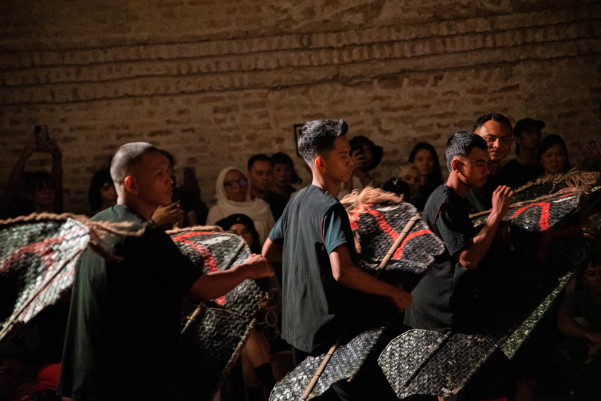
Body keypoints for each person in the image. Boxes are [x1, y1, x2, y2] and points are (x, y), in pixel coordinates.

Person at [58, 142, 273, 401]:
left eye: (169, 172)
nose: (170, 180)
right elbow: (203, 288)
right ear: (132, 184)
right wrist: (247, 269)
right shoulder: (145, 236)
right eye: (160, 174)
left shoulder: (99, 222)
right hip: (127, 377)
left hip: (87, 373)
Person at [262, 119, 410, 401]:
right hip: (330, 334)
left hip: (298, 331)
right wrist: (393, 292)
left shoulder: (296, 201)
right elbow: (343, 272)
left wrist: (307, 258)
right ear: (321, 163)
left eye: (349, 153)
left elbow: (268, 250)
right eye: (343, 155)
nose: (350, 161)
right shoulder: (330, 208)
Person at [554, 254, 601, 400]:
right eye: (592, 274)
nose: (598, 278)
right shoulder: (577, 298)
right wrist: (593, 337)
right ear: (584, 279)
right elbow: (563, 322)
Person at [206, 166, 275, 244]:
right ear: (222, 188)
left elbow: (275, 237)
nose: (238, 186)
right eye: (231, 183)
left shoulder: (261, 206)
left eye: (241, 181)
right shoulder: (217, 210)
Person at [0, 137, 63, 218]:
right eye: (40, 189)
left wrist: (57, 156)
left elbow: (57, 184)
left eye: (50, 187)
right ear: (30, 195)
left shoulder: (57, 211)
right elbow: (10, 190)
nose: (47, 191)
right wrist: (24, 156)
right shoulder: (23, 218)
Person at [467, 112, 513, 212]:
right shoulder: (470, 180)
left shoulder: (510, 175)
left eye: (504, 139)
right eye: (490, 139)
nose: (497, 145)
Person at [497, 118, 544, 188]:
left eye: (538, 133)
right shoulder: (507, 172)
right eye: (529, 133)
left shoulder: (543, 169)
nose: (535, 136)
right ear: (517, 139)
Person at [247, 154, 289, 220]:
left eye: (269, 173)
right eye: (260, 173)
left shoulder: (281, 202)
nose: (265, 177)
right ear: (249, 175)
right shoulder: (244, 200)